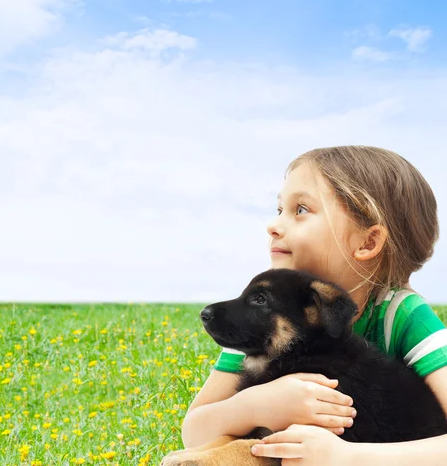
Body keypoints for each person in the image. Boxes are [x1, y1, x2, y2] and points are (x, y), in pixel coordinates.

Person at [181, 146, 447, 465]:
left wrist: (349, 457)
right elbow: (194, 432)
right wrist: (256, 404)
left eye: (301, 209)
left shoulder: (403, 316)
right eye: (279, 208)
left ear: (367, 242)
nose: (273, 225)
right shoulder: (260, 328)